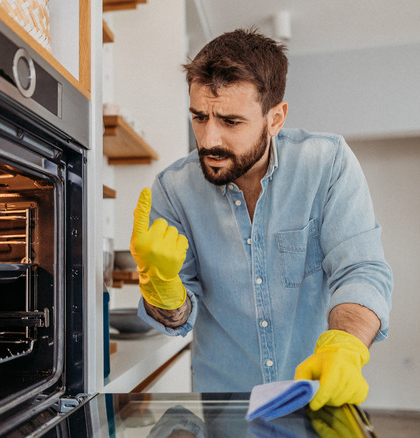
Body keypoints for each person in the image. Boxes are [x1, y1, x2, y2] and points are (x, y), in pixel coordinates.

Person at [130, 28, 393, 411]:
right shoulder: (172, 189)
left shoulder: (327, 162)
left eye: (231, 122)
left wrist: (345, 345)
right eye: (199, 117)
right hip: (224, 407)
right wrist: (162, 291)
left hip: (316, 395)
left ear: (276, 118)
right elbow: (180, 316)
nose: (208, 140)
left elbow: (361, 268)